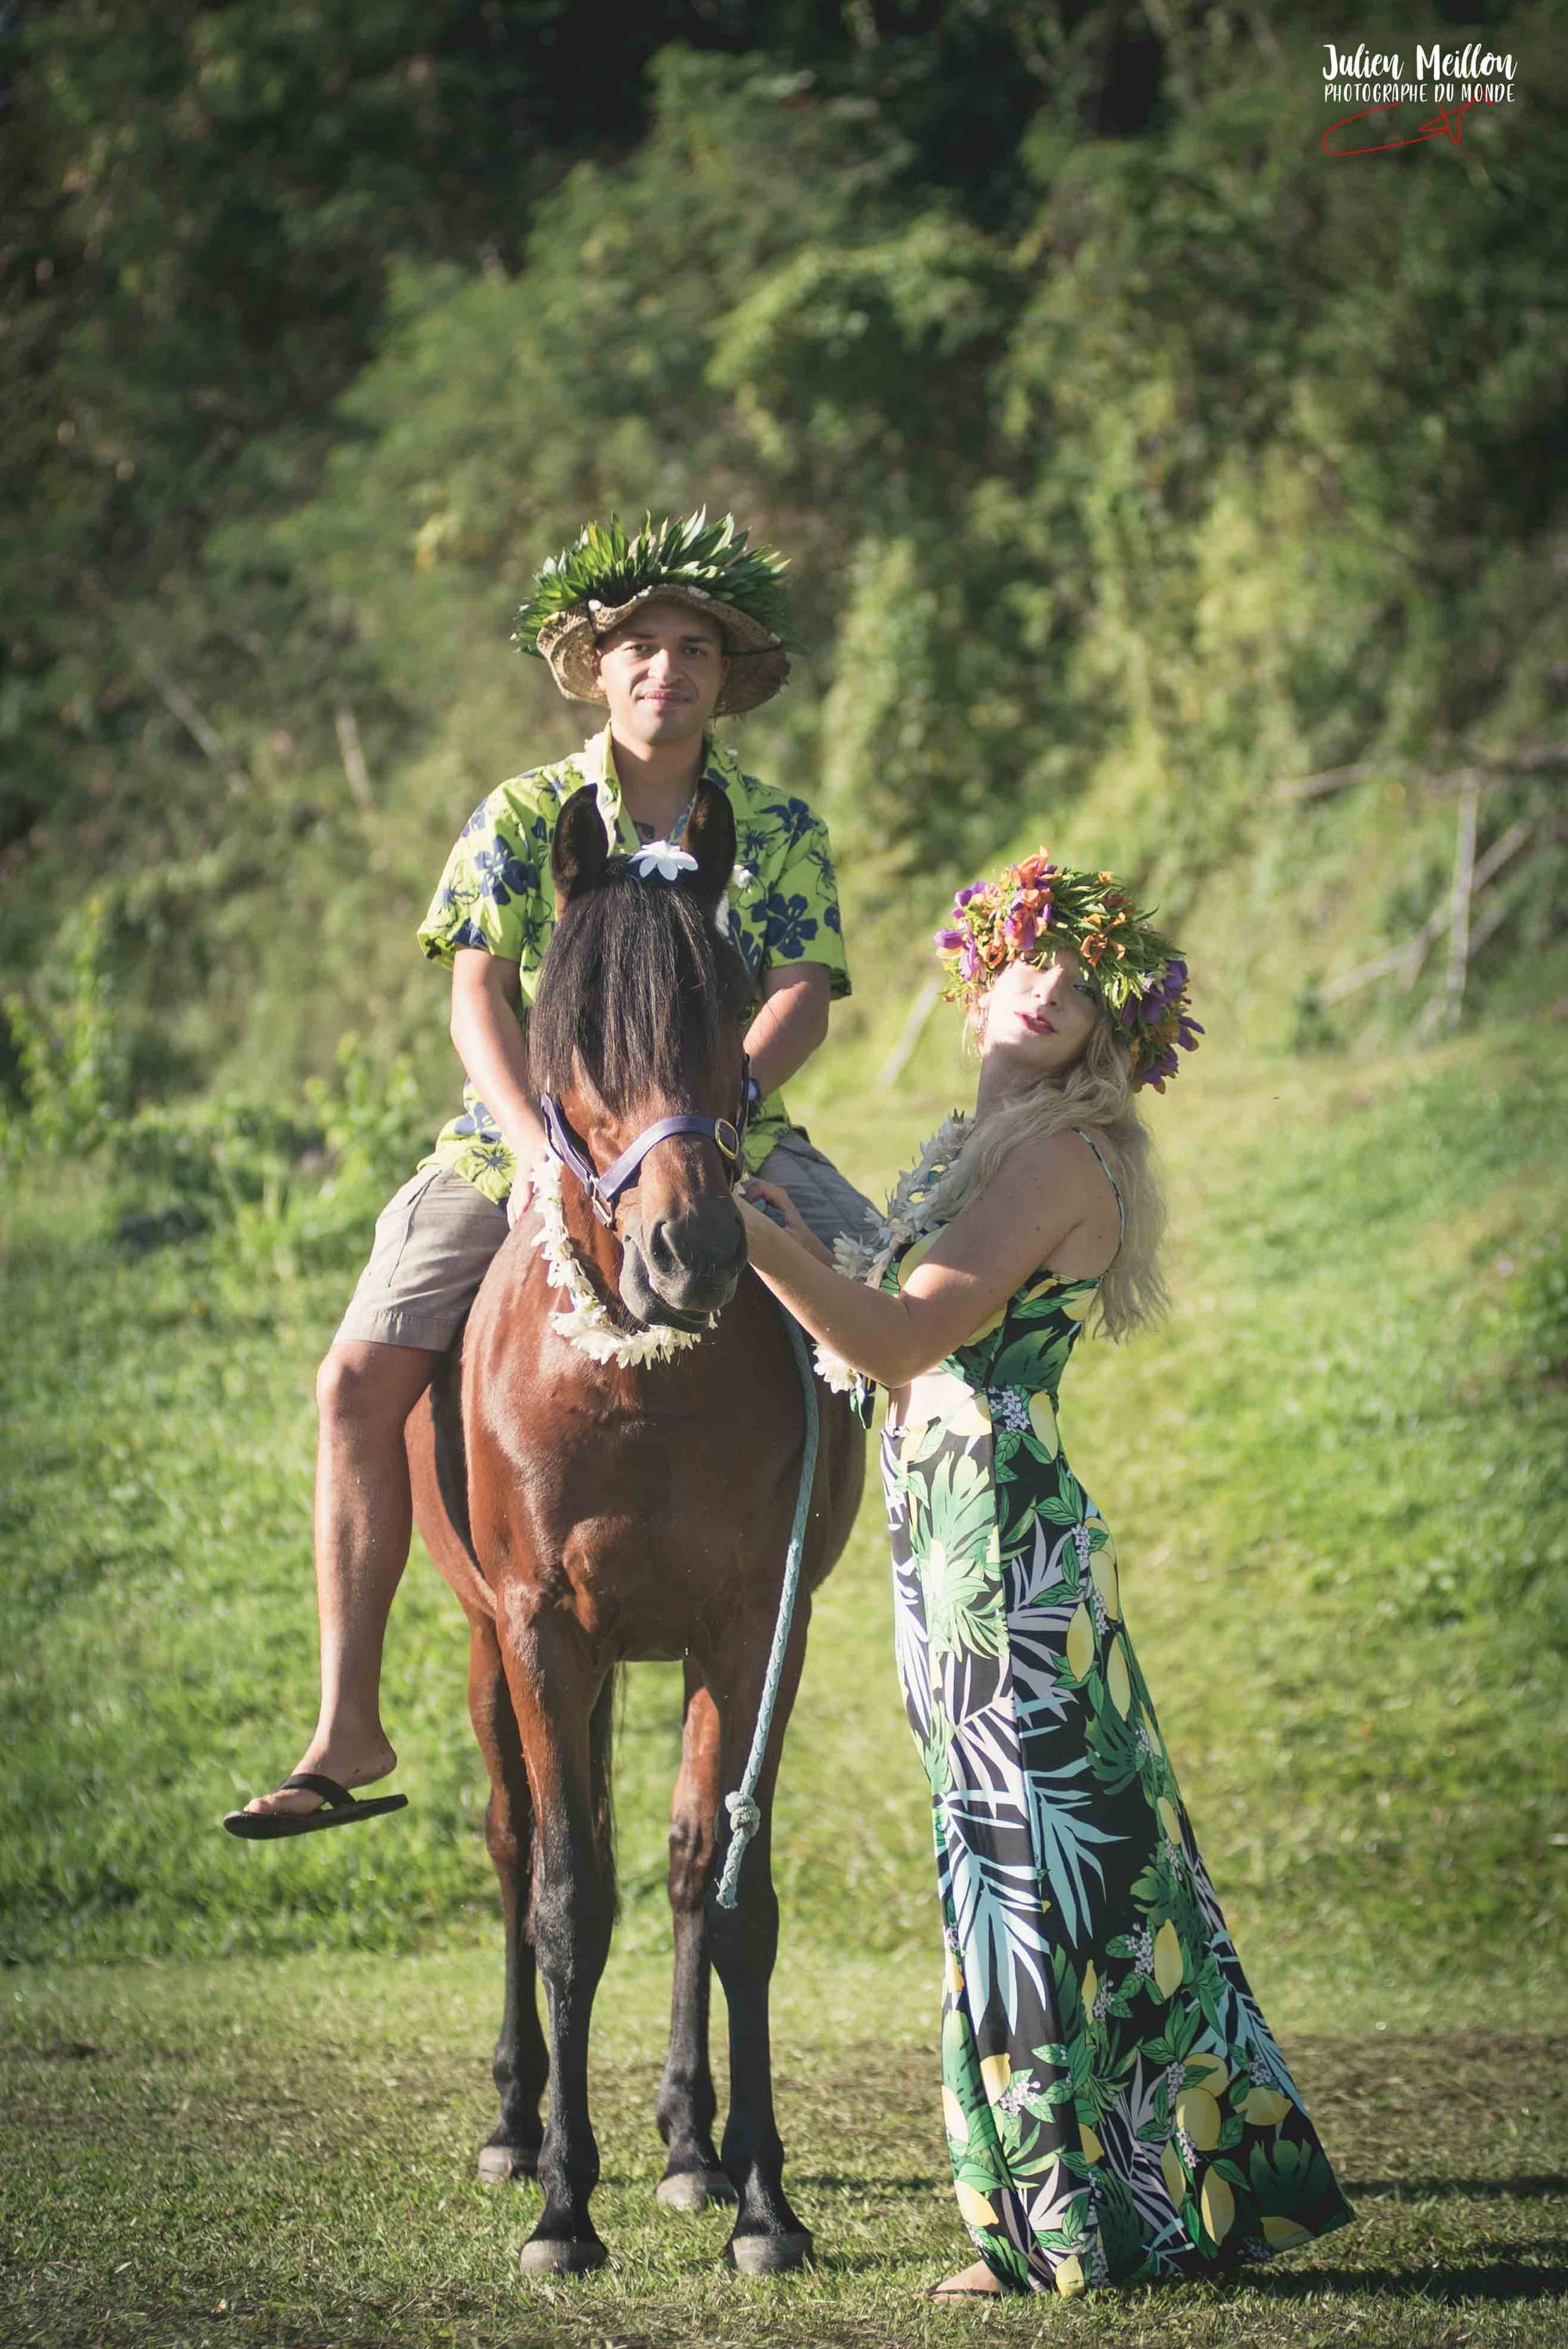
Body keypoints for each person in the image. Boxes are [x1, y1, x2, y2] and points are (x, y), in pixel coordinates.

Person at [736, 854, 1355, 2297]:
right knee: (1044, 1858)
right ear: (986, 978)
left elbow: (895, 1346)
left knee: (1038, 1862)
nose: (1043, 989)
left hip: (1006, 1549)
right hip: (953, 1540)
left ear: (1106, 1045)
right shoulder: (981, 1150)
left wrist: (749, 1236)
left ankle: (1056, 2228)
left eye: (1078, 994)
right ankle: (1140, 2207)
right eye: (1029, 963)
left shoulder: (1057, 1163)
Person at [226, 511, 873, 1834]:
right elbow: (477, 991)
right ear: (598, 663)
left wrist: (723, 1109)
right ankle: (347, 1724)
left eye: (693, 648)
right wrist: (534, 1148)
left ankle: (950, 1638)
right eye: (640, 645)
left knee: (912, 1330)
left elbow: (805, 987)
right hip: (520, 1139)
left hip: (724, 1136)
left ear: (721, 677)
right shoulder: (526, 815)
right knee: (355, 1374)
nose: (665, 670)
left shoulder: (780, 825)